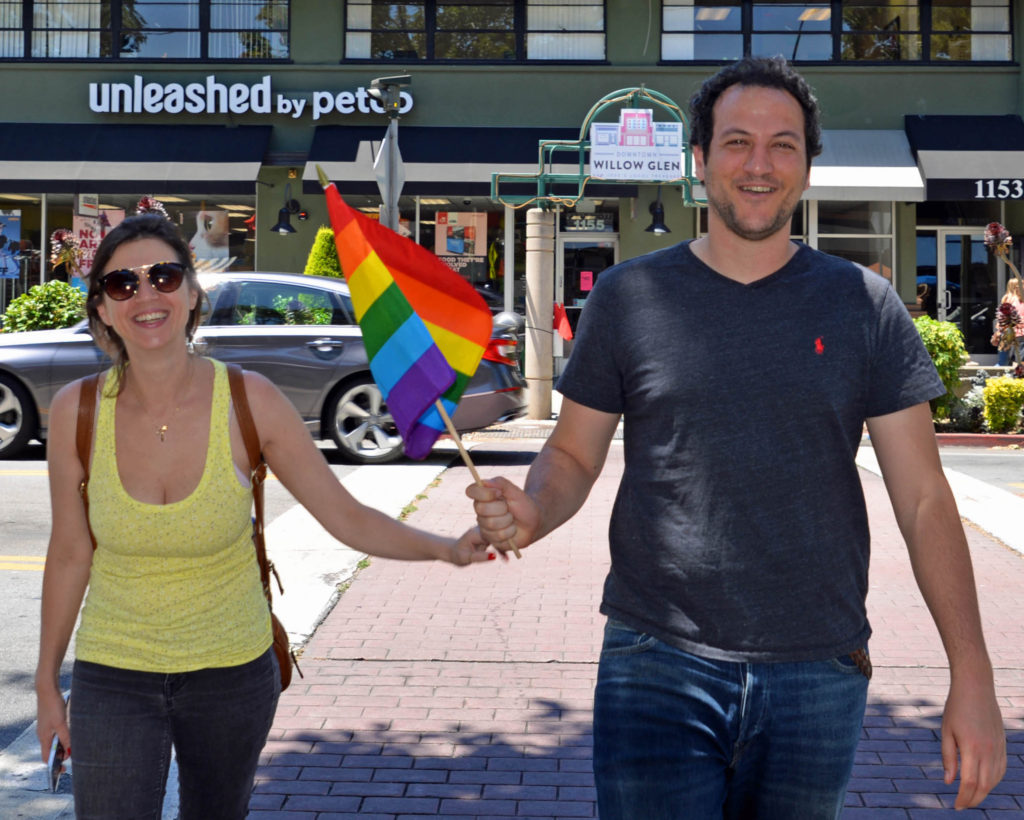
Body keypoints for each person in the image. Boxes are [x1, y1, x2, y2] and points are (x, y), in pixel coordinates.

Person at [468, 55, 1006, 818]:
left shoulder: (864, 305)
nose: (760, 164)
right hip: (655, 661)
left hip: (818, 669)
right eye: (736, 142)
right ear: (700, 161)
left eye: (784, 144)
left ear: (808, 168)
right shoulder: (630, 296)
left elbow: (923, 500)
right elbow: (573, 452)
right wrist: (534, 509)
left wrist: (973, 675)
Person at [35, 213, 493, 819]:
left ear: (193, 294)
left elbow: (345, 516)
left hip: (231, 673)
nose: (146, 296)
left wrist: (446, 547)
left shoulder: (251, 400)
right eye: (123, 284)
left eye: (164, 276)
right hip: (114, 672)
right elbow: (70, 553)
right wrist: (47, 683)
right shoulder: (77, 411)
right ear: (102, 310)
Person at [992, 277, 1023, 365]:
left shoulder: (1006, 298)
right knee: (1016, 360)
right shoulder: (1016, 300)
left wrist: (998, 331)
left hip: (1006, 332)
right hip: (1015, 332)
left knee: (1004, 360)